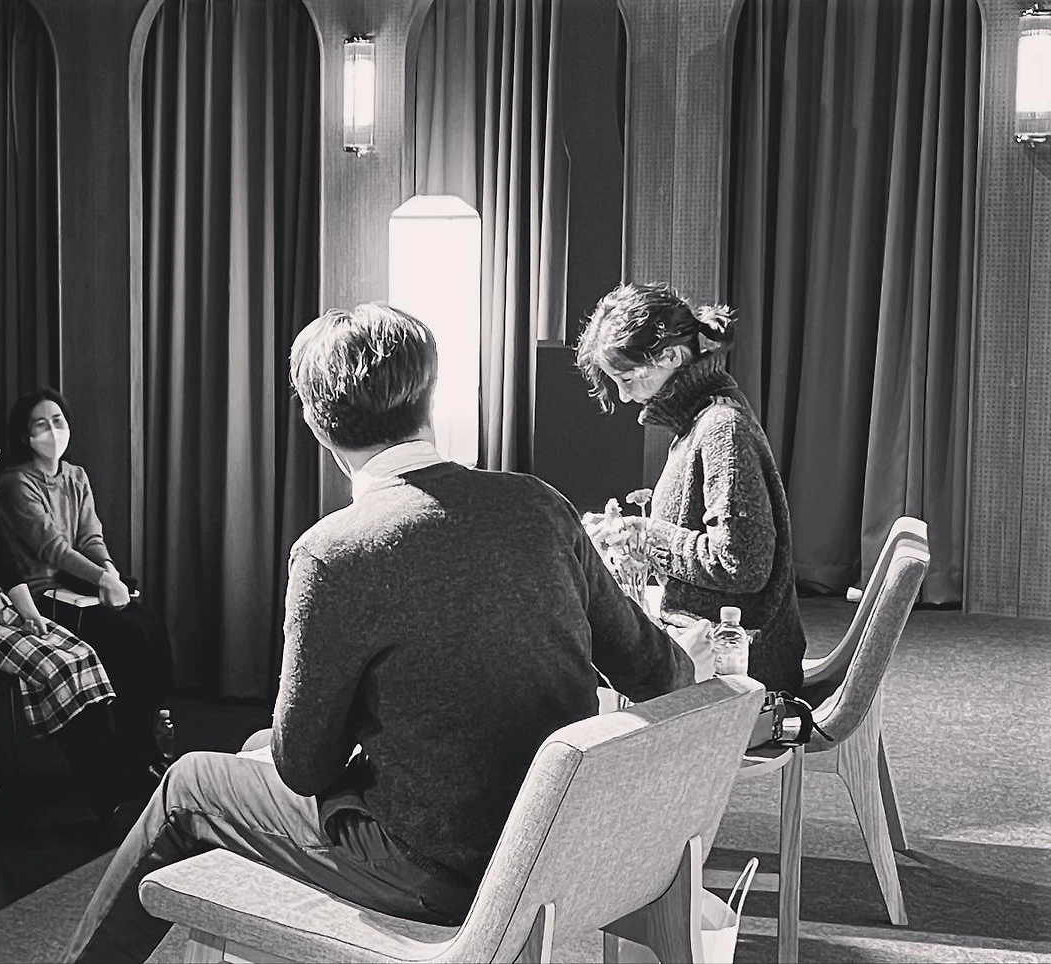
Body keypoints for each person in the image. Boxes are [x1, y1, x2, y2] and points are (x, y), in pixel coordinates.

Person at [61, 303, 714, 963]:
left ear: (316, 420)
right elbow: (661, 672)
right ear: (430, 396)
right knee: (256, 752)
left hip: (439, 872)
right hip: (555, 851)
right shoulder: (539, 504)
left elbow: (303, 767)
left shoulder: (336, 552)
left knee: (189, 784)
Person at [577, 281, 806, 694]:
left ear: (671, 356)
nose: (624, 397)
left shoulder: (722, 428)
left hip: (739, 672)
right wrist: (635, 535)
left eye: (627, 379)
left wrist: (649, 535)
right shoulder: (699, 424)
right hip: (713, 650)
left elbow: (742, 565)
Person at [0, 392, 141, 820]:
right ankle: (106, 799)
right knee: (53, 665)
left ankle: (117, 781)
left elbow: (3, 561)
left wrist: (29, 612)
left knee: (81, 655)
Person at [0, 388, 174, 782]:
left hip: (78, 585)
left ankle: (149, 738)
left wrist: (109, 571)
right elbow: (53, 548)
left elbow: (90, 536)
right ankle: (131, 756)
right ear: (25, 436)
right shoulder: (15, 483)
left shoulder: (76, 476)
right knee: (127, 640)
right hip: (41, 593)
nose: (52, 431)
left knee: (151, 627)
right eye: (41, 424)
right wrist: (104, 580)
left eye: (58, 421)